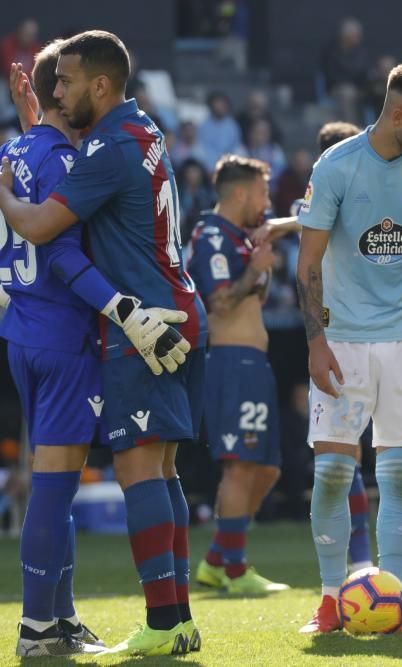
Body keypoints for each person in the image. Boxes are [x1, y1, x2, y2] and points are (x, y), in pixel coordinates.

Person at [0, 30, 208, 655]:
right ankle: (146, 620)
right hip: (135, 316)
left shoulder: (62, 153)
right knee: (143, 472)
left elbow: (41, 218)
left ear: (94, 88)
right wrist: (38, 119)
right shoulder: (142, 132)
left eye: (65, 82)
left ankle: (109, 621)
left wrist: (18, 150)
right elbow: (62, 218)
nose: (58, 89)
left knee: (113, 473)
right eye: (54, 80)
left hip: (75, 327)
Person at [295, 59, 402, 634]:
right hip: (342, 340)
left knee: (397, 475)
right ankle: (327, 600)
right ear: (398, 115)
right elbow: (308, 263)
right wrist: (316, 342)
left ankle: (391, 604)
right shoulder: (337, 167)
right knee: (332, 477)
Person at [256, 119, 402, 590]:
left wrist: (282, 224)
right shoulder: (323, 187)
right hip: (341, 335)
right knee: (342, 458)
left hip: (396, 331)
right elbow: (318, 225)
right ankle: (355, 561)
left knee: (397, 457)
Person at [1, 43, 115, 658]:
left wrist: (31, 127)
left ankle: (62, 619)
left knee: (58, 484)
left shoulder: (13, 148)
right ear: (63, 92)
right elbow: (66, 254)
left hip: (22, 329)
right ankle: (37, 628)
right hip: (66, 336)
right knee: (52, 488)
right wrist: (122, 309)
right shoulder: (68, 160)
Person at [188, 155, 290, 594]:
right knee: (242, 466)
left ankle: (215, 560)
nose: (267, 203)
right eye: (264, 194)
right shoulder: (211, 235)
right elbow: (222, 302)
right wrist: (257, 269)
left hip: (252, 362)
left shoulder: (239, 238)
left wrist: (259, 263)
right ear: (240, 193)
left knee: (266, 470)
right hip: (230, 362)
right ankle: (234, 569)